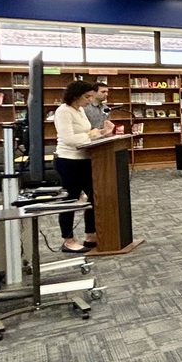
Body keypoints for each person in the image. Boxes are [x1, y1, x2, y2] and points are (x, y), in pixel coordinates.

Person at [53, 80, 114, 252]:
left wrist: (103, 132)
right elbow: (69, 139)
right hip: (68, 160)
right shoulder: (63, 111)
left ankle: (90, 234)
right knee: (70, 200)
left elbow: (87, 133)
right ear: (75, 95)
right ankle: (68, 239)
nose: (89, 101)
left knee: (94, 198)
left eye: (91, 97)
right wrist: (93, 135)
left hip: (85, 159)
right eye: (87, 97)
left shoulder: (79, 110)